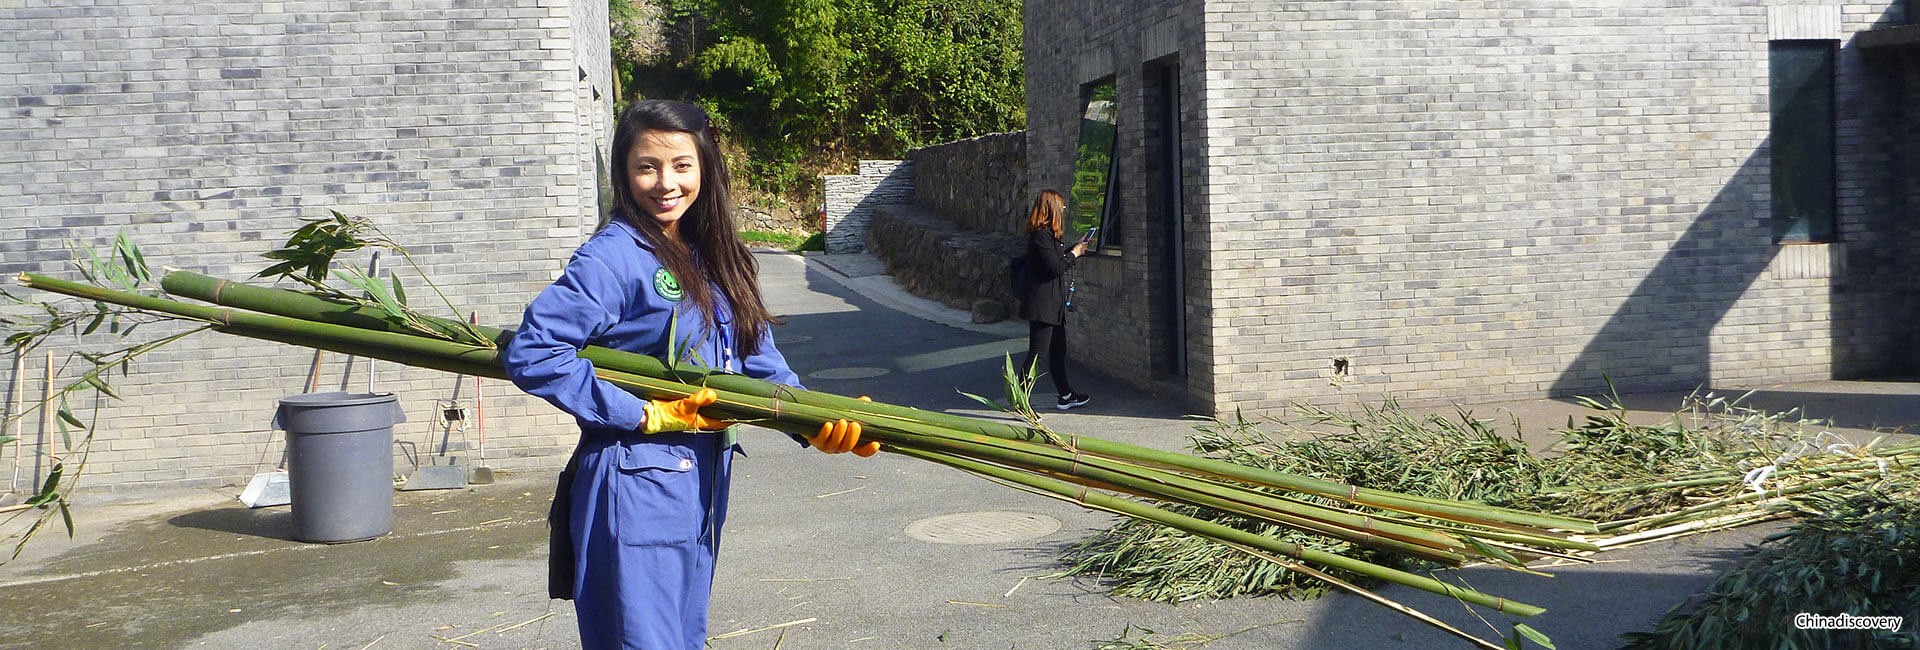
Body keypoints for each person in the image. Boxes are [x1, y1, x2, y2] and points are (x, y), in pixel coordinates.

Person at [503, 99, 879, 650]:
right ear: (624, 174)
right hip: (635, 485)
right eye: (646, 167)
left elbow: (759, 364)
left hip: (701, 479)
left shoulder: (715, 255)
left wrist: (817, 423)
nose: (665, 183)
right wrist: (643, 413)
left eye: (681, 165)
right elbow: (534, 351)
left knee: (683, 638)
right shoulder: (612, 259)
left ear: (704, 166)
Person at [1017, 189, 1092, 411]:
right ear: (1052, 209)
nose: (1064, 211)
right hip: (1042, 306)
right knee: (1037, 355)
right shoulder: (1040, 236)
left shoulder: (1050, 236)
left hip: (1053, 305)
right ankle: (1019, 398)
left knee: (1059, 349)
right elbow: (1055, 267)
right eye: (1062, 207)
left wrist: (1072, 249)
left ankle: (1066, 395)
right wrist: (1075, 254)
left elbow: (1056, 259)